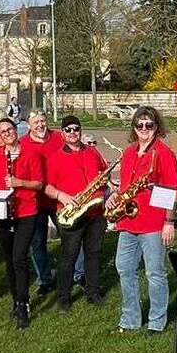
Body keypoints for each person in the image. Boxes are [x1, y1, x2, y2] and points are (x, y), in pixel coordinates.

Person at [113, 106, 177, 334]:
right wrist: (115, 199)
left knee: (154, 272)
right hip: (128, 222)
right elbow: (124, 187)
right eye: (139, 125)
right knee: (124, 268)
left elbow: (170, 189)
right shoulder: (129, 152)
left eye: (148, 125)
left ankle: (157, 321)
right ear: (134, 128)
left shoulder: (163, 153)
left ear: (156, 127)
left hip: (152, 223)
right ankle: (130, 318)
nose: (144, 129)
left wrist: (169, 222)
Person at [0, 117, 46, 329]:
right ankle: (15, 299)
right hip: (3, 213)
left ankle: (23, 303)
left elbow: (38, 184)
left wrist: (19, 183)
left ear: (16, 130)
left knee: (19, 257)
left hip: (26, 212)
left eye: (10, 129)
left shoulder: (31, 153)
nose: (7, 133)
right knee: (9, 259)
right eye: (3, 132)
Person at [45, 116, 110, 310]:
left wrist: (105, 183)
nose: (73, 133)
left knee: (94, 253)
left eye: (76, 129)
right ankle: (64, 297)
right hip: (71, 212)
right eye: (68, 130)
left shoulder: (92, 152)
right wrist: (62, 196)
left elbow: (104, 175)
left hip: (95, 212)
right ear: (62, 133)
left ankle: (93, 292)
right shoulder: (55, 157)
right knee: (69, 256)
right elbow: (47, 187)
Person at [21, 111, 67, 292]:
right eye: (35, 122)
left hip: (59, 198)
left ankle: (76, 274)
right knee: (37, 242)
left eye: (43, 121)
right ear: (28, 125)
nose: (40, 125)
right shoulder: (23, 143)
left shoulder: (59, 137)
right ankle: (45, 279)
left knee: (69, 238)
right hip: (36, 200)